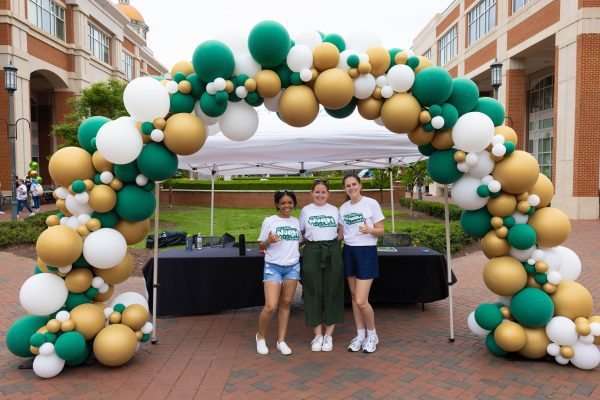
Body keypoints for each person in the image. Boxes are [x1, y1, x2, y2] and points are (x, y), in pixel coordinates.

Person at [339, 172, 385, 353]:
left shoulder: (371, 204)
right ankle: (360, 335)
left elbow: (382, 231)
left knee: (361, 300)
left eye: (354, 184)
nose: (351, 187)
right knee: (353, 296)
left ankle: (372, 335)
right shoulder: (343, 208)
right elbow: (341, 235)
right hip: (349, 251)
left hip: (366, 252)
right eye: (348, 185)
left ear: (360, 185)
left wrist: (369, 229)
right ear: (345, 189)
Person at [300, 179, 344, 352]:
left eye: (323, 192)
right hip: (312, 251)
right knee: (312, 291)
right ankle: (318, 335)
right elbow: (302, 233)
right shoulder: (305, 211)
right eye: (317, 192)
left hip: (332, 250)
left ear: (328, 193)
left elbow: (340, 232)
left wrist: (332, 244)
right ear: (312, 193)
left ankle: (329, 335)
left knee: (332, 290)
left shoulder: (334, 210)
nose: (320, 195)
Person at [256, 190, 301, 355]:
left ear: (294, 204)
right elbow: (260, 245)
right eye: (283, 203)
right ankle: (260, 336)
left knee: (286, 304)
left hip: (292, 267)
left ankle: (281, 340)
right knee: (271, 306)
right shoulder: (269, 221)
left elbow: (299, 242)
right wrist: (268, 241)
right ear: (277, 204)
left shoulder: (296, 222)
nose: (286, 206)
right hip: (273, 267)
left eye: (290, 202)